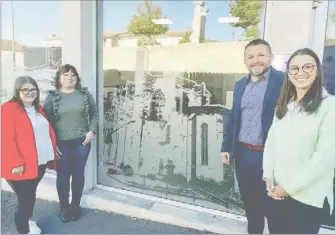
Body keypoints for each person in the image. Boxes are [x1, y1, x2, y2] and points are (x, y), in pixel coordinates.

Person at [263, 48, 335, 234]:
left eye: (307, 67)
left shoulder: (329, 106)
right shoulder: (285, 105)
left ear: (318, 70)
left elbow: (325, 158)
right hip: (276, 195)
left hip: (306, 200)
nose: (300, 72)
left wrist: (287, 188)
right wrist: (268, 177)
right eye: (294, 68)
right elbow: (271, 142)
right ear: (288, 73)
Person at [220, 39, 284, 234]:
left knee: (274, 207)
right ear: (245, 60)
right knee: (250, 204)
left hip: (271, 156)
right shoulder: (240, 85)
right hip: (243, 154)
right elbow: (233, 117)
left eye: (261, 55)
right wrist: (226, 146)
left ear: (271, 58)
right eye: (251, 56)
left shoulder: (284, 81)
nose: (256, 60)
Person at [1, 76, 58, 234]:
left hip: (39, 162)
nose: (29, 92)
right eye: (25, 89)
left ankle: (27, 220)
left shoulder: (38, 108)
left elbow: (45, 132)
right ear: (17, 91)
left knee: (30, 194)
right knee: (25, 198)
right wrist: (16, 162)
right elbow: (6, 139)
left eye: (33, 89)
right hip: (20, 165)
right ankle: (23, 230)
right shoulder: (9, 108)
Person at [43, 64, 99, 222]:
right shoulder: (52, 97)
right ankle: (64, 206)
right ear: (59, 78)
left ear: (77, 78)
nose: (69, 78)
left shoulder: (85, 95)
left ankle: (75, 205)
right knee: (62, 176)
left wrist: (91, 131)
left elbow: (95, 115)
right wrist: (52, 145)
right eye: (66, 75)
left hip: (82, 142)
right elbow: (46, 123)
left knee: (78, 174)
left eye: (73, 75)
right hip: (61, 144)